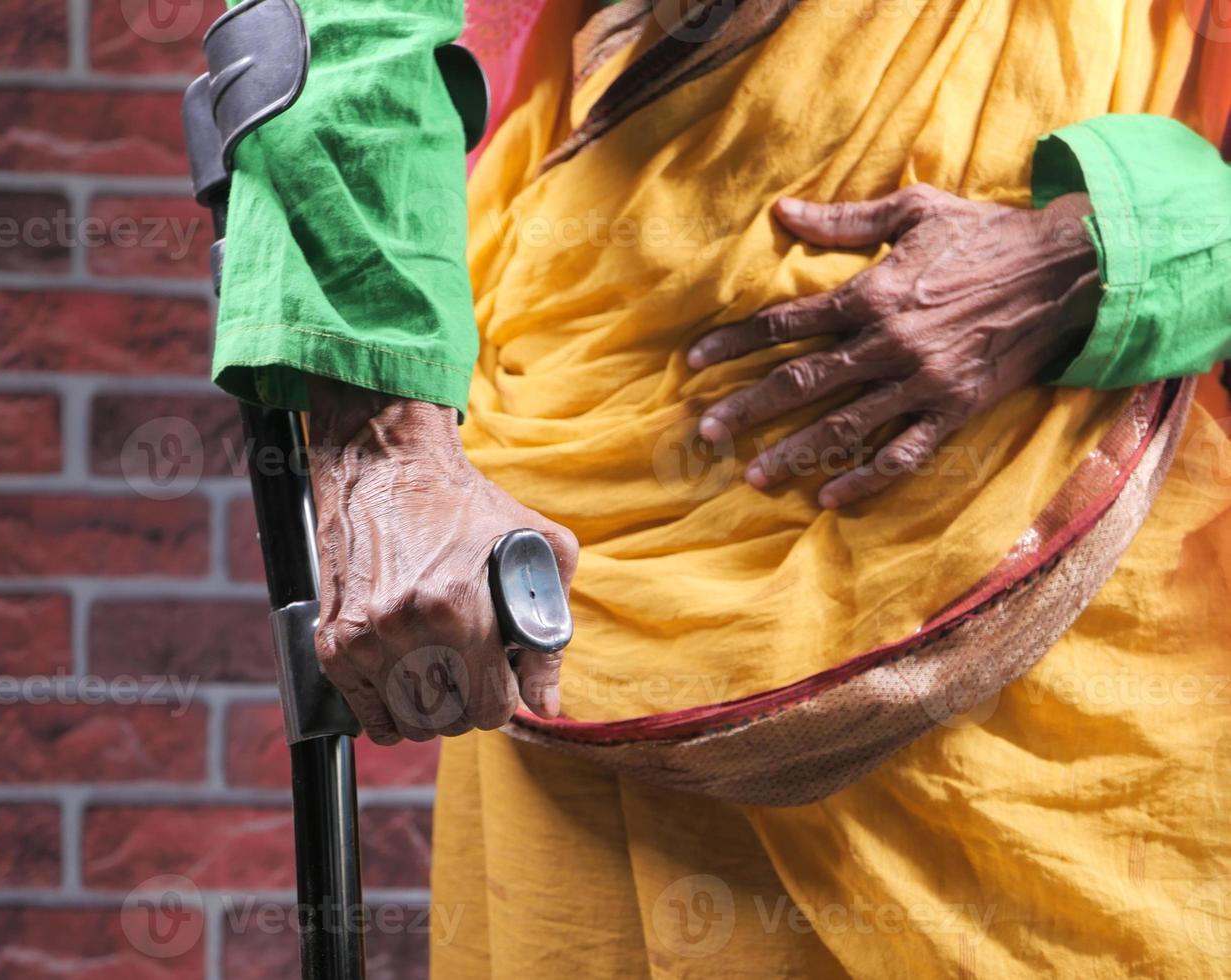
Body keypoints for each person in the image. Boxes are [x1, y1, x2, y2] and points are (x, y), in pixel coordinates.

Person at [214, 0, 1231, 974]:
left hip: (1068, 503)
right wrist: (383, 442)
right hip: (618, 528)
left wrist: (1104, 256)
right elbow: (349, 24)